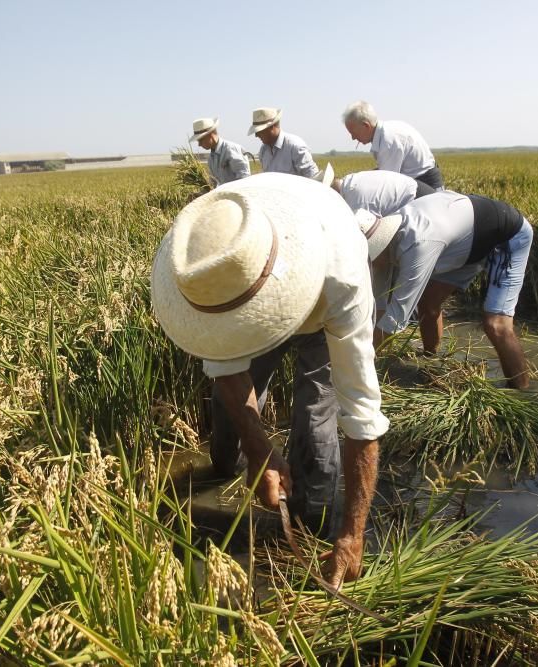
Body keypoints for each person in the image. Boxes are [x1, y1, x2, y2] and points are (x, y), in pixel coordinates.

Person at [151, 173, 388, 587]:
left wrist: (353, 534)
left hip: (317, 298)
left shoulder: (341, 275)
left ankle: (308, 530)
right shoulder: (206, 260)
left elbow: (361, 416)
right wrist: (259, 448)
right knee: (230, 416)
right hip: (244, 288)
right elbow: (224, 367)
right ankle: (229, 467)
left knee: (316, 415)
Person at [359, 190, 533, 389]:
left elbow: (397, 316)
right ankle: (430, 361)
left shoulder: (418, 243)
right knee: (427, 303)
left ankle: (521, 392)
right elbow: (380, 305)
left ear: (379, 246)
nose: (369, 265)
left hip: (506, 235)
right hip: (467, 241)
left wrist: (358, 362)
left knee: (496, 325)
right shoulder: (384, 239)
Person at [342, 101, 445, 190]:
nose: (353, 138)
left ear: (366, 126)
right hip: (418, 183)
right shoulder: (386, 131)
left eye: (353, 133)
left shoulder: (388, 141)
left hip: (427, 187)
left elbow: (387, 184)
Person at [248, 108, 319, 178]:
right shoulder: (263, 150)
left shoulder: (295, 147)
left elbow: (313, 179)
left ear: (271, 127)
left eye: (259, 131)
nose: (256, 135)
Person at [331, 169, 434, 217]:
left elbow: (370, 231)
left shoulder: (357, 201)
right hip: (417, 189)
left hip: (420, 202)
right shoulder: (350, 179)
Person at [190, 117, 251, 186]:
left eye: (201, 140)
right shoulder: (211, 158)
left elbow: (244, 178)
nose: (199, 144)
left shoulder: (230, 149)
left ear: (210, 135)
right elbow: (214, 184)